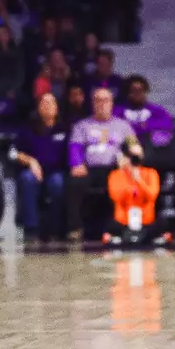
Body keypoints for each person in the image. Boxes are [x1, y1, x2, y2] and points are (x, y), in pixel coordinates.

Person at [63, 87, 141, 240]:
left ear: (112, 103)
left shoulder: (123, 126)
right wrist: (77, 164)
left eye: (105, 100)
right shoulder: (82, 125)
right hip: (89, 169)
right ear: (92, 103)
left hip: (115, 168)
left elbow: (134, 146)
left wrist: (132, 156)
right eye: (98, 100)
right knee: (73, 184)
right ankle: (75, 227)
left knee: (128, 182)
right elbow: (75, 148)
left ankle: (123, 226)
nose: (102, 104)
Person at [104, 146, 161, 246]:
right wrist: (128, 177)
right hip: (123, 221)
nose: (135, 159)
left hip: (145, 220)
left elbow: (152, 195)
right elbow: (116, 197)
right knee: (110, 225)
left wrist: (139, 181)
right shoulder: (116, 174)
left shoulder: (151, 173)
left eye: (138, 156)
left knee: (162, 223)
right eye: (132, 156)